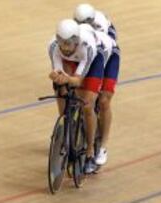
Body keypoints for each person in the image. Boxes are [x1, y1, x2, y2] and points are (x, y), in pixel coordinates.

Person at [48, 19, 106, 173]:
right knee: (61, 89)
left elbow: (79, 80)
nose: (65, 47)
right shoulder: (54, 46)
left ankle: (90, 151)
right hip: (71, 60)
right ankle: (66, 128)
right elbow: (58, 72)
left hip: (93, 61)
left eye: (68, 43)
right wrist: (58, 77)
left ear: (76, 40)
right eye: (62, 42)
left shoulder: (87, 47)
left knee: (87, 105)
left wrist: (68, 79)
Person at [79, 23, 120, 167]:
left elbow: (97, 73)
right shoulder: (77, 34)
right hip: (86, 55)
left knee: (102, 100)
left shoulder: (102, 28)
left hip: (107, 56)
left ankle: (102, 146)